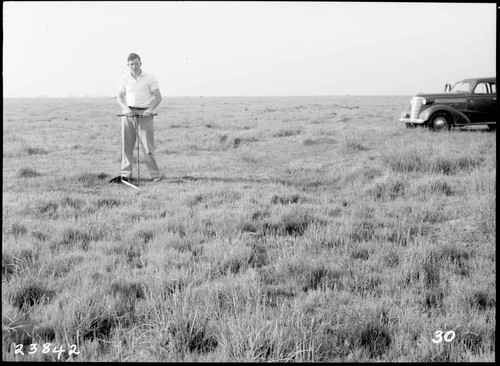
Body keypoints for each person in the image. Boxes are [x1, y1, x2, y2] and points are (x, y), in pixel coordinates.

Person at [117, 53, 163, 182]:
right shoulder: (124, 79)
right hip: (128, 114)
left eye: (136, 63)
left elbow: (158, 97)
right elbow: (120, 97)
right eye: (131, 64)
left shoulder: (149, 78)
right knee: (127, 145)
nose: (134, 66)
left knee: (148, 147)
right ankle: (126, 174)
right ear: (128, 65)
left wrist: (150, 110)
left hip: (145, 114)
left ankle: (154, 175)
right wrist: (126, 108)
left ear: (140, 63)